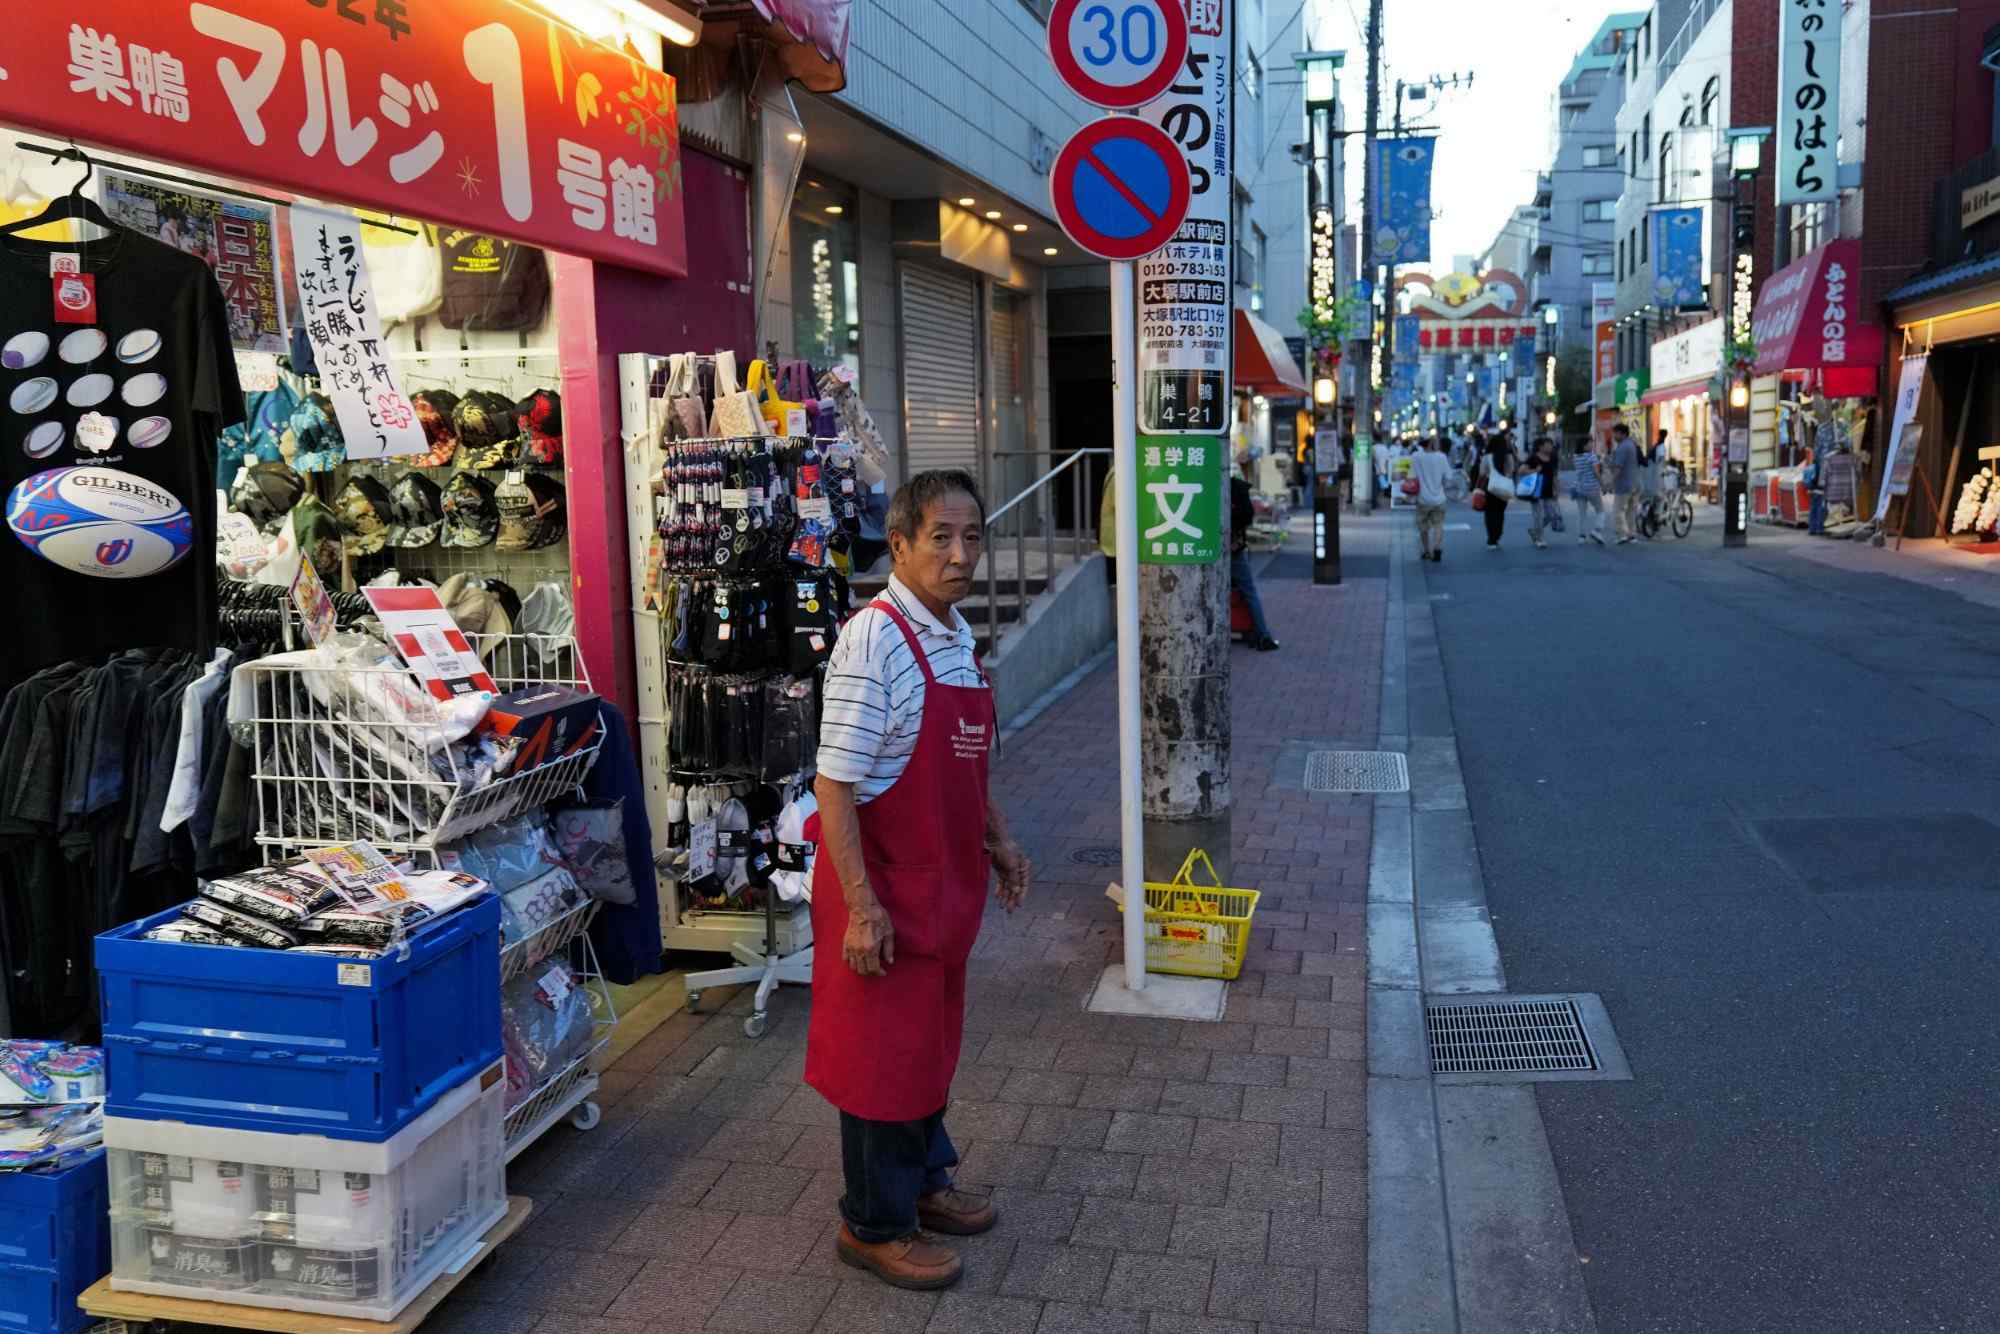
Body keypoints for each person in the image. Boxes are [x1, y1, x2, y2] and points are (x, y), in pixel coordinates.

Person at [809, 469, 1033, 1292]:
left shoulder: (952, 635)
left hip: (942, 891)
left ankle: (927, 1181)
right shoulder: (875, 640)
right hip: (884, 892)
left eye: (973, 537)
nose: (961, 554)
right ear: (898, 544)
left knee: (928, 1048)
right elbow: (835, 782)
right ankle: (872, 1223)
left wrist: (1000, 841)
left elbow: (966, 773)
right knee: (879, 1061)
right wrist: (861, 910)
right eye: (940, 537)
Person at [1231, 451, 1280, 650]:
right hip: (1237, 547)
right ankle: (1262, 634)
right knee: (1248, 591)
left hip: (1218, 549)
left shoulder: (1211, 486)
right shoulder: (1236, 486)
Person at [1412, 434, 1452, 562]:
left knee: (1423, 528)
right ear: (1431, 443)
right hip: (1439, 498)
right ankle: (1437, 548)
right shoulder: (1442, 457)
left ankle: (1426, 551)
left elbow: (1410, 475)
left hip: (1422, 499)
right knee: (1438, 525)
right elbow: (1449, 477)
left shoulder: (1416, 456)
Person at [1522, 436, 1562, 550]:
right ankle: (1540, 539)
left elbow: (1554, 475)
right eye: (1548, 444)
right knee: (1538, 515)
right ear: (1540, 446)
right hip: (1536, 489)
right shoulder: (1533, 458)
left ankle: (1535, 531)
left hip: (1548, 490)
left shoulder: (1553, 458)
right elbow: (1522, 471)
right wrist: (1535, 470)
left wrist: (1557, 489)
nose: (1550, 446)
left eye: (1551, 444)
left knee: (1550, 515)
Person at [1479, 430, 1516, 550]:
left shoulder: (1487, 457)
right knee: (1500, 512)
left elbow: (1482, 473)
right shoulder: (1508, 456)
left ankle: (1491, 539)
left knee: (1489, 513)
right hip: (1503, 487)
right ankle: (1497, 535)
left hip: (1490, 487)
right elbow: (1511, 471)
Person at [1609, 422, 1642, 544]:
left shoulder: (1623, 447)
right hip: (1635, 482)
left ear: (1622, 434)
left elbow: (1618, 468)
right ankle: (1632, 535)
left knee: (1618, 510)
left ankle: (1622, 534)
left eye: (1615, 433)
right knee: (1631, 510)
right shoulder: (1631, 444)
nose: (1613, 436)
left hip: (1624, 484)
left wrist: (1609, 483)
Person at [1573, 432, 1607, 546]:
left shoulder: (1576, 457)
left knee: (1582, 514)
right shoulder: (1592, 456)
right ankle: (1597, 531)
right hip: (1592, 488)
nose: (1592, 444)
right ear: (1584, 445)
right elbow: (1596, 473)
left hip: (1579, 489)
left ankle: (1581, 537)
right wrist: (1603, 485)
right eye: (1590, 443)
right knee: (1601, 511)